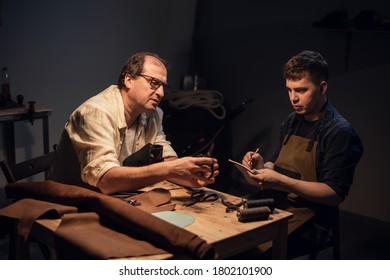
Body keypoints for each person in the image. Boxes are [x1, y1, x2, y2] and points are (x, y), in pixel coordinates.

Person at [241, 50, 363, 256]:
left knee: (250, 251)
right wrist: (262, 165)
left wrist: (280, 180)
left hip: (311, 216)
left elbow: (334, 195)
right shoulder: (292, 121)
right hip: (276, 201)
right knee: (227, 233)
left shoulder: (339, 132)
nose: (293, 98)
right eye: (289, 90)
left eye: (301, 90)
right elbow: (276, 164)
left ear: (322, 88)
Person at [48, 52, 218, 194]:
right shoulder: (96, 112)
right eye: (153, 83)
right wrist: (171, 169)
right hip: (68, 203)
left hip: (114, 198)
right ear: (128, 79)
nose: (160, 93)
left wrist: (190, 172)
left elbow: (165, 159)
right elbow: (105, 180)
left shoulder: (153, 114)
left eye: (163, 87)